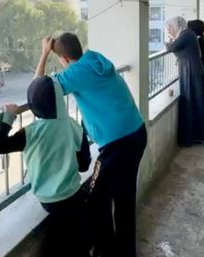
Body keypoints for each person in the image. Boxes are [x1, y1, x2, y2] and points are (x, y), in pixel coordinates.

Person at [37, 33, 146, 257]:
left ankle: (105, 250)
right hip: (136, 132)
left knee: (96, 195)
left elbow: (38, 90)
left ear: (64, 59)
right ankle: (124, 251)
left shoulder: (76, 73)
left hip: (118, 143)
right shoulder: (95, 59)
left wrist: (44, 53)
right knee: (123, 196)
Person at [0, 76, 91, 257]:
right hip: (73, 196)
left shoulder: (31, 132)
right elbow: (84, 166)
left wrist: (8, 117)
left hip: (48, 200)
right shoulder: (74, 127)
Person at [166, 17, 204, 146]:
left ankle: (193, 136)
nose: (169, 30)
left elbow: (172, 48)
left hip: (191, 71)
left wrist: (168, 41)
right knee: (195, 100)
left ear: (176, 25)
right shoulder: (188, 34)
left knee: (193, 100)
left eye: (170, 27)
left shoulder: (185, 35)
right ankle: (198, 134)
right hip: (192, 70)